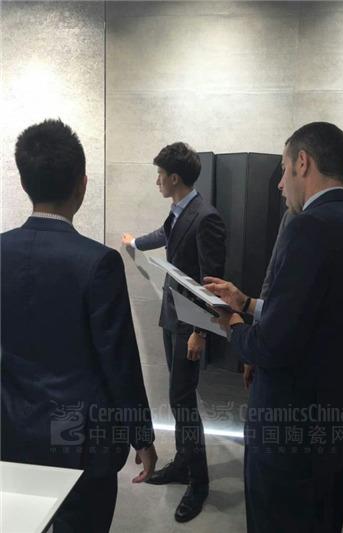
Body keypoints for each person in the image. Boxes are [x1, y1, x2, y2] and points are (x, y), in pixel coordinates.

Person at [204, 122, 343, 532]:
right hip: (335, 422)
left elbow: (272, 345)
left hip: (289, 430)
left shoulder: (307, 227)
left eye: (284, 170)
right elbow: (318, 316)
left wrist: (232, 323)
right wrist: (245, 301)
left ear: (303, 163)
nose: (280, 184)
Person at [1, 119, 157, 533]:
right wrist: (142, 436)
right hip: (81, 441)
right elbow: (120, 363)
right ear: (82, 185)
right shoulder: (97, 262)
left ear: (24, 182)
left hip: (11, 430)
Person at [122, 142, 226, 523]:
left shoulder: (206, 217)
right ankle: (183, 462)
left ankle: (199, 481)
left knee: (182, 400)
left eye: (160, 175)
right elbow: (165, 234)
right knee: (178, 397)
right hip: (172, 317)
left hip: (190, 325)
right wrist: (135, 243)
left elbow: (213, 283)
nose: (157, 182)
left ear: (175, 178)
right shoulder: (181, 210)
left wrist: (201, 331)